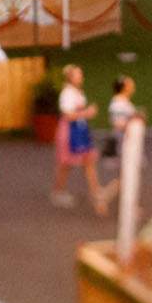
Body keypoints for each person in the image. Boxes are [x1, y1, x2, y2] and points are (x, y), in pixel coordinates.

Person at [52, 64, 105, 215]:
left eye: (81, 74)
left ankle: (95, 190)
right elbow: (68, 115)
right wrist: (87, 113)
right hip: (70, 131)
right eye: (78, 74)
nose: (81, 77)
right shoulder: (67, 94)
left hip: (80, 129)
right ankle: (58, 191)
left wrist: (85, 113)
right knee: (66, 163)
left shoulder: (77, 92)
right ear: (70, 78)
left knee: (88, 159)